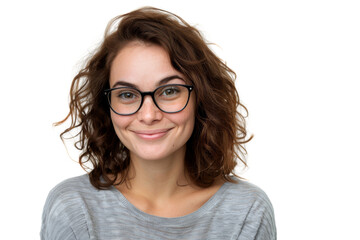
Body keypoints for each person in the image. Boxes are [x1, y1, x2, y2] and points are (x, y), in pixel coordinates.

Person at [41, 7, 276, 240]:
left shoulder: (247, 211)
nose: (148, 115)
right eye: (126, 94)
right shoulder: (73, 208)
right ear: (107, 106)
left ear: (200, 100)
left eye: (170, 91)